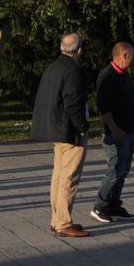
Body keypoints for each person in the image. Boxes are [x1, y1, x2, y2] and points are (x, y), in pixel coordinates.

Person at [30, 32, 91, 238]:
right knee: (69, 177)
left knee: (58, 176)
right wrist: (83, 126)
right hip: (69, 130)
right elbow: (72, 103)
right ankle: (63, 222)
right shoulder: (72, 70)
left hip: (55, 128)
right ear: (79, 50)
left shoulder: (54, 67)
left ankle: (57, 219)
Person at [91, 42, 134, 223]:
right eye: (132, 55)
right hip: (116, 133)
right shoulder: (108, 76)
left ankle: (113, 204)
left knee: (124, 169)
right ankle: (99, 205)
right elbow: (104, 109)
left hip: (128, 130)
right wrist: (114, 130)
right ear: (124, 55)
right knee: (115, 169)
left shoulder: (123, 75)